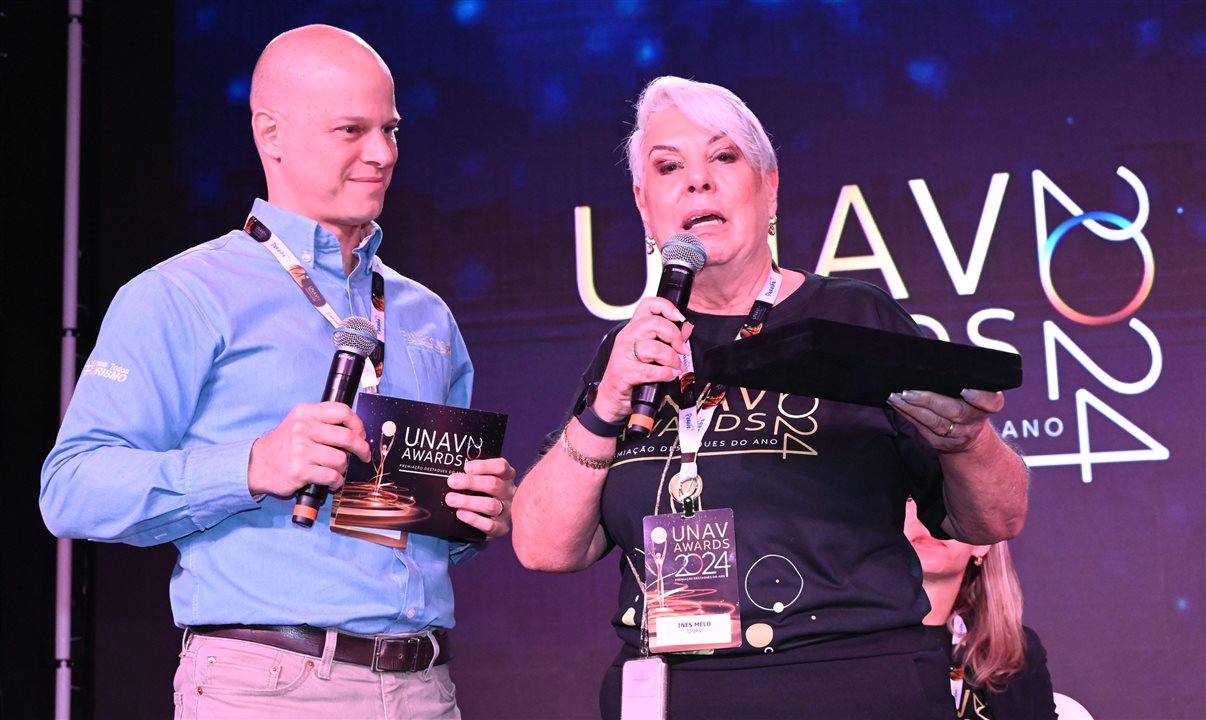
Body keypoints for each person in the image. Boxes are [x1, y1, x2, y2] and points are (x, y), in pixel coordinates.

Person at [511, 75, 1029, 719]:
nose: (697, 181)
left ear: (770, 187)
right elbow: (542, 547)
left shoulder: (854, 318)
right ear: (644, 205)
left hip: (851, 685)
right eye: (669, 167)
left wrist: (968, 440)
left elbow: (993, 521)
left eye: (724, 157)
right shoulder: (628, 354)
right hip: (676, 691)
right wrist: (605, 405)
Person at [40, 25, 515, 719]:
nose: (381, 153)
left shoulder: (423, 314)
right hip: (268, 686)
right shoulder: (183, 294)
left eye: (390, 129)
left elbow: (430, 532)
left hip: (424, 686)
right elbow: (71, 487)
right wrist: (253, 464)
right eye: (351, 130)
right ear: (271, 132)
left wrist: (475, 515)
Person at [905, 499, 1058, 719]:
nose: (931, 519)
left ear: (981, 543)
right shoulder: (848, 643)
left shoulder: (1015, 652)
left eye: (953, 505)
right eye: (913, 499)